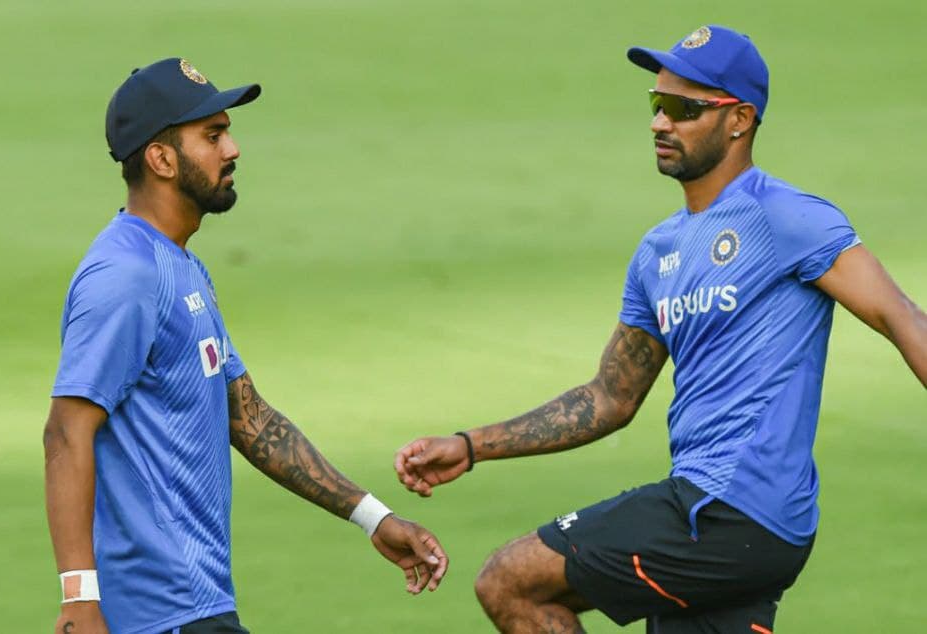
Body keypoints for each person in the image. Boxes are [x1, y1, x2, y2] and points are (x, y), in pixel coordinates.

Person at [394, 25, 926, 633]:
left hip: (731, 506)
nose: (659, 123)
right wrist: (470, 446)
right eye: (656, 103)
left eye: (683, 108)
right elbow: (610, 397)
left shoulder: (787, 217)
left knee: (511, 581)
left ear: (739, 120)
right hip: (729, 523)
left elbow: (901, 316)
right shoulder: (658, 252)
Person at [44, 57, 448, 634]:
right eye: (212, 136)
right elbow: (66, 432)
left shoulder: (181, 267)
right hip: (155, 612)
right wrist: (80, 599)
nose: (232, 149)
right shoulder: (125, 275)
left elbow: (249, 418)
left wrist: (373, 517)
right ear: (161, 159)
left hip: (198, 601)